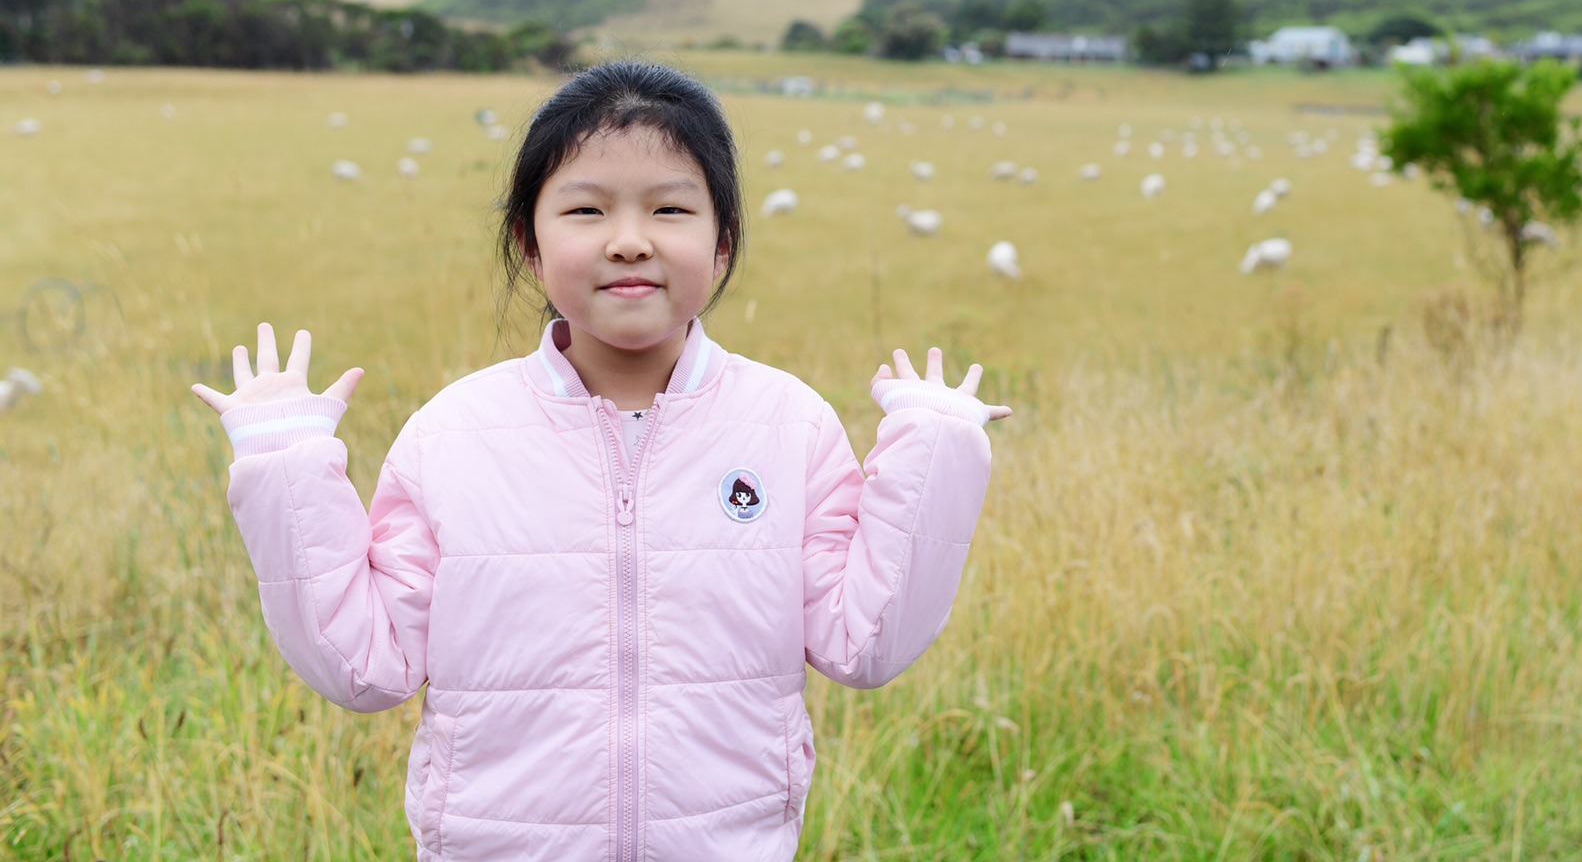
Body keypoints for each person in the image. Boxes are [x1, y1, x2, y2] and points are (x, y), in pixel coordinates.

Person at [190, 60, 1009, 860]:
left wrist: (937, 455)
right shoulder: (454, 436)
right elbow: (363, 666)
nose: (628, 242)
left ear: (722, 243)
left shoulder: (788, 427)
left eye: (670, 210)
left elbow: (863, 643)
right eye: (585, 210)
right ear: (531, 244)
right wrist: (285, 465)